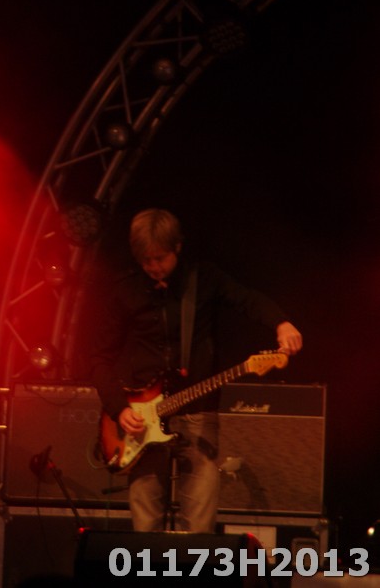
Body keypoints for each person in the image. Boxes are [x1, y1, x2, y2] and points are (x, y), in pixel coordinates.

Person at [90, 208, 303, 533]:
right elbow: (98, 358)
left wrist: (281, 322)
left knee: (200, 523)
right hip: (141, 418)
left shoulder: (203, 279)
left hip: (197, 411)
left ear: (177, 247)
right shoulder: (125, 289)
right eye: (146, 261)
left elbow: (246, 299)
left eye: (160, 258)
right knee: (145, 521)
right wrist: (119, 409)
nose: (153, 267)